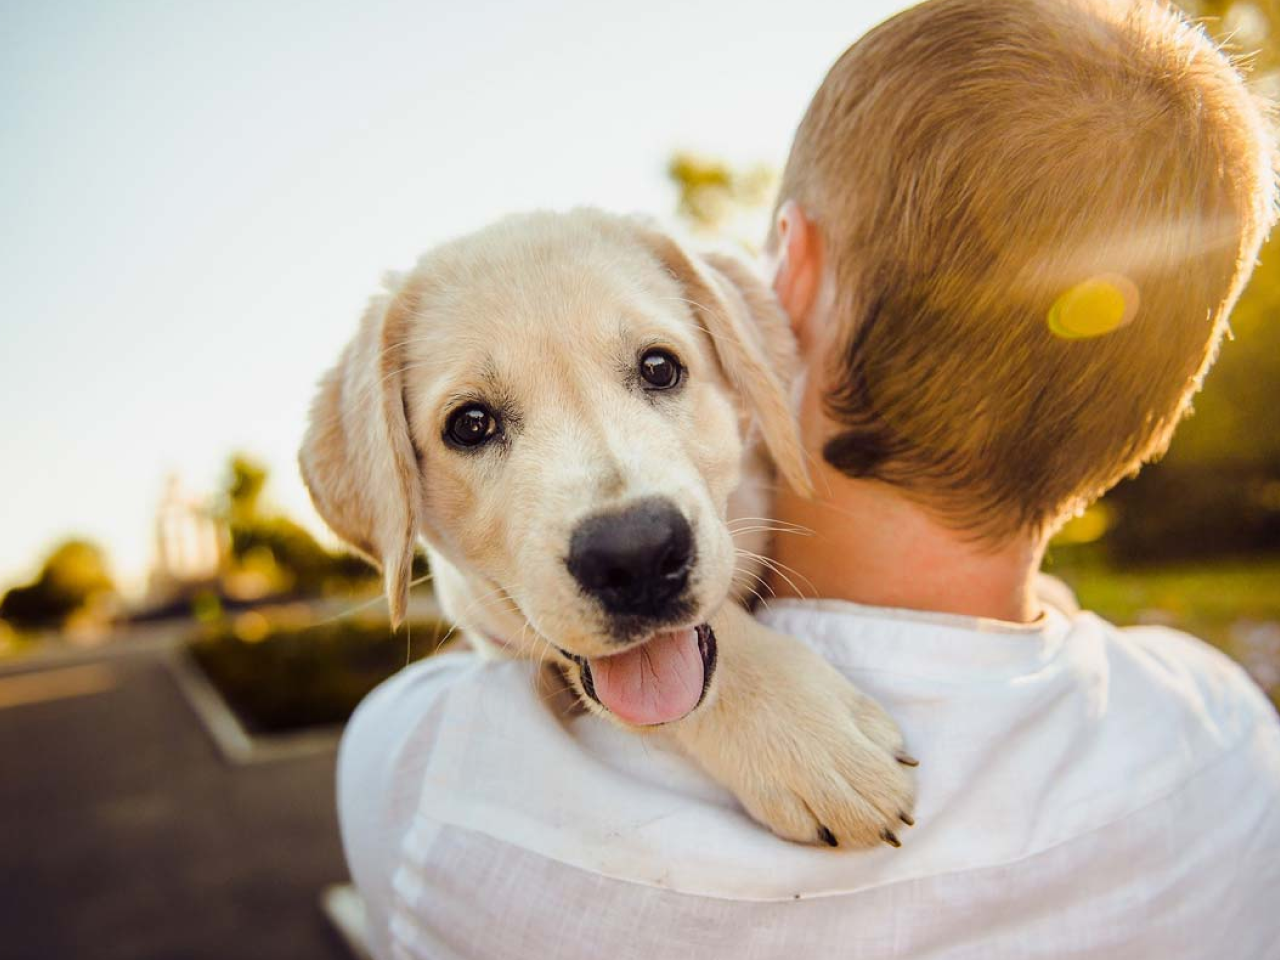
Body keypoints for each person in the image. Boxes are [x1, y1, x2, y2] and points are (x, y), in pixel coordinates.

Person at [337, 1, 1280, 957]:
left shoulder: (428, 777)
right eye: (476, 424)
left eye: (657, 371)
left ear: (786, 275)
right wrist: (727, 672)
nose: (618, 517)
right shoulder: (1231, 743)